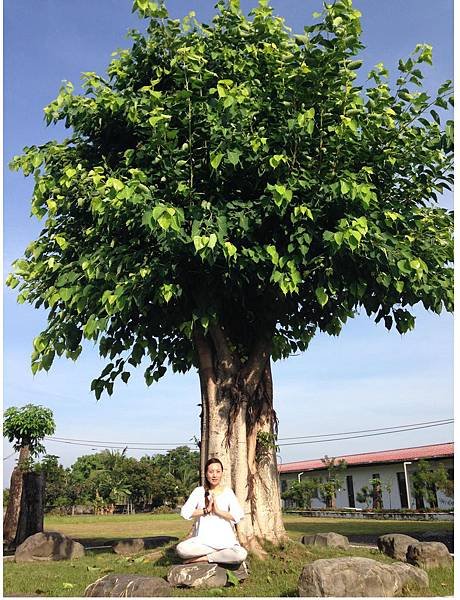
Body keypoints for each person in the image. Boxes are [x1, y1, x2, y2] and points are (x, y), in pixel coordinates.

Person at [176, 457, 248, 565]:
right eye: (211, 472)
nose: (214, 475)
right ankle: (218, 555)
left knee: (241, 554)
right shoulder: (198, 491)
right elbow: (185, 512)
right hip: (203, 542)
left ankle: (204, 558)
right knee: (181, 549)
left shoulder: (228, 492)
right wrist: (206, 510)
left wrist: (218, 511)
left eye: (218, 472)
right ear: (206, 474)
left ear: (222, 473)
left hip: (225, 542)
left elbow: (238, 515)